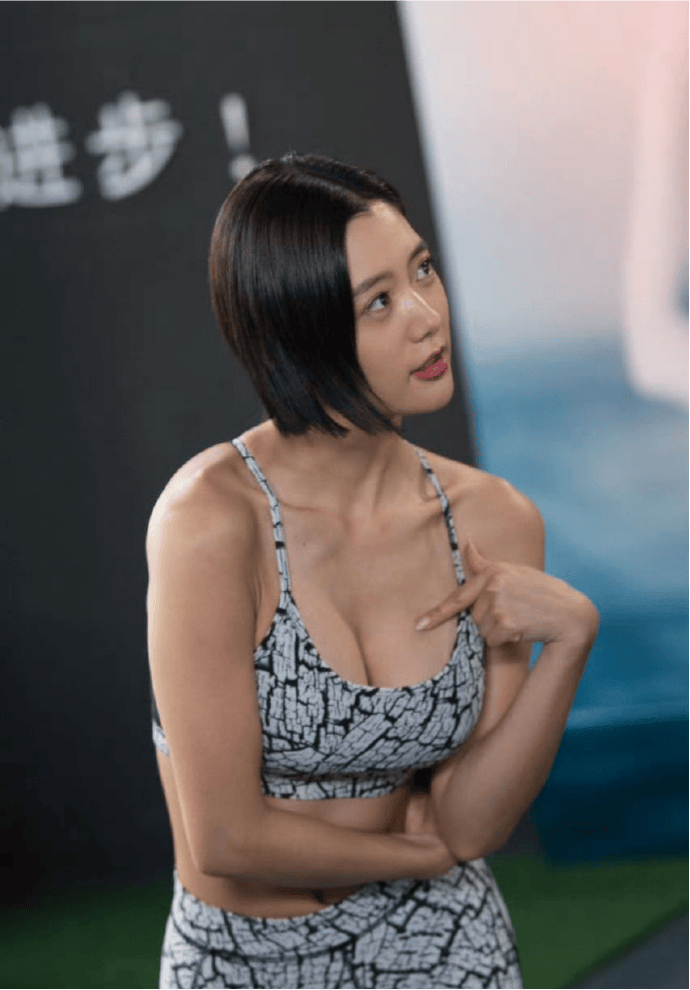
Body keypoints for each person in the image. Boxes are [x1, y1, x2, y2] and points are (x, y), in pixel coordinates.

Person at [146, 151, 600, 989]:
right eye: (378, 302)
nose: (427, 317)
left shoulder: (491, 518)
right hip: (240, 959)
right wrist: (421, 854)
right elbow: (226, 837)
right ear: (299, 330)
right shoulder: (210, 522)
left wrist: (571, 640)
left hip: (442, 940)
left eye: (423, 270)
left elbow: (474, 822)